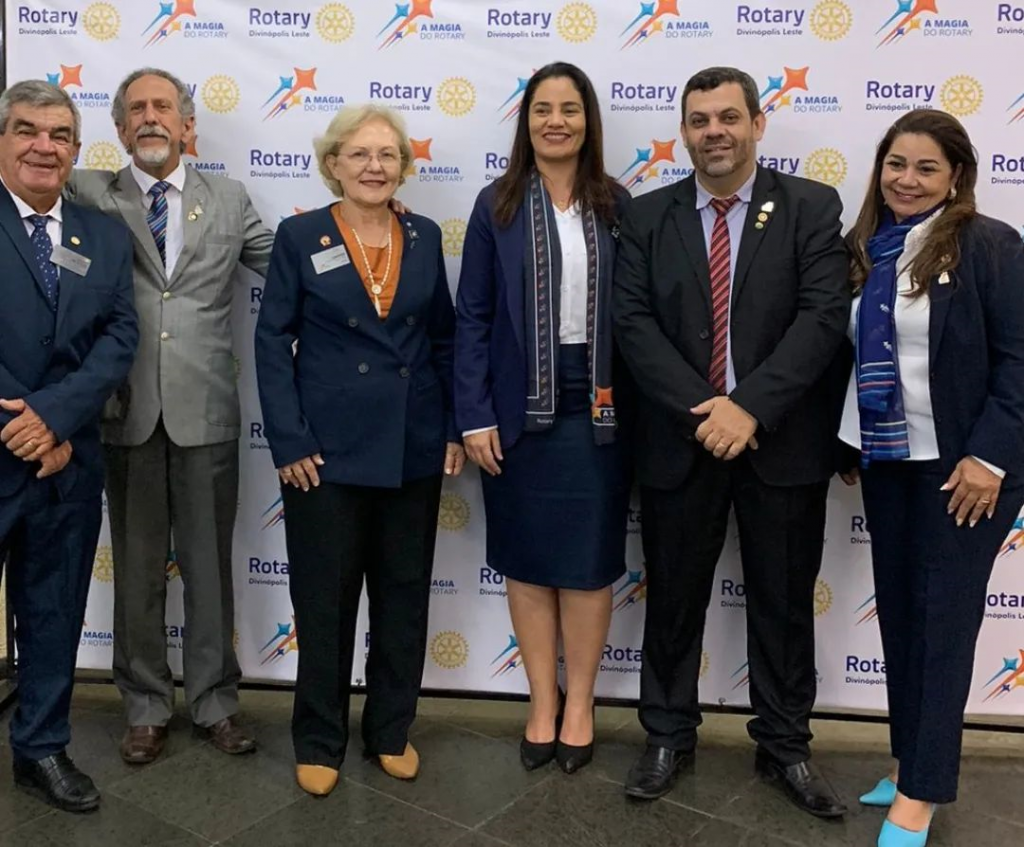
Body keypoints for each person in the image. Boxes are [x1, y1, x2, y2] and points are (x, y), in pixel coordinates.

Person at [612, 66, 851, 815]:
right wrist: (706, 413)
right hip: (681, 443)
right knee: (672, 600)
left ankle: (785, 745)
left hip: (781, 442)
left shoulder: (811, 206)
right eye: (699, 120)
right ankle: (666, 735)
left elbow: (822, 317)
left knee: (784, 602)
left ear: (757, 123)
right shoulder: (646, 217)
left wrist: (748, 409)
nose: (714, 131)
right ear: (684, 132)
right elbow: (633, 325)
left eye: (727, 117)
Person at [66, 67, 274, 764]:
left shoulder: (229, 198)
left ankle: (215, 702)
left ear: (188, 125)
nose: (150, 117)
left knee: (210, 568)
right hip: (123, 411)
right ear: (119, 128)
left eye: (163, 107)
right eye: (136, 109)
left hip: (206, 411)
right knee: (137, 568)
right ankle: (146, 706)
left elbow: (286, 266)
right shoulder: (87, 192)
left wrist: (364, 226)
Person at [255, 104, 463, 797]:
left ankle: (390, 730)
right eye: (360, 154)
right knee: (325, 601)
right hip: (324, 454)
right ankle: (319, 739)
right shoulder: (299, 235)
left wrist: (452, 427)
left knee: (403, 597)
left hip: (412, 445)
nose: (375, 166)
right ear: (333, 164)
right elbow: (270, 340)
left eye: (387, 154)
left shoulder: (423, 236)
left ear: (403, 164)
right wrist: (288, 438)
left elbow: (443, 340)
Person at [838, 109, 1024, 847]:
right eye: (896, 164)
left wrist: (990, 456)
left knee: (941, 625)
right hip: (889, 462)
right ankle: (908, 761)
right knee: (903, 618)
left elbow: (1019, 360)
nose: (907, 180)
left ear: (956, 177)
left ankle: (921, 793)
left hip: (966, 472)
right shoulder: (868, 248)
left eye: (925, 168)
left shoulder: (989, 245)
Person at [455, 62, 631, 776]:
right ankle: (540, 703)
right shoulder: (495, 204)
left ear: (589, 121)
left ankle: (580, 704)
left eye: (569, 109)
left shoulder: (618, 204)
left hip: (600, 406)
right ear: (525, 122)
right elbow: (472, 316)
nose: (556, 121)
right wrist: (473, 414)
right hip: (514, 409)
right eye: (542, 110)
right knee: (527, 563)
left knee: (588, 567)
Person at [0, 80, 138, 811]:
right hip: (7, 445)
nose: (43, 146)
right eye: (27, 129)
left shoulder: (103, 235)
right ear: (3, 139)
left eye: (59, 135)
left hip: (66, 464)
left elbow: (119, 338)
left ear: (77, 150)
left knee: (54, 612)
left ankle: (41, 747)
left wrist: (52, 420)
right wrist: (24, 426)